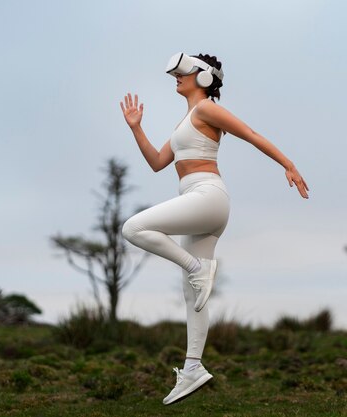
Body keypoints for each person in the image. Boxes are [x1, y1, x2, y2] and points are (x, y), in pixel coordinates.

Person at [120, 52, 309, 405]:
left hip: (207, 196)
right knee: (194, 295)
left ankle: (197, 268)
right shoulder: (185, 121)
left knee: (133, 228)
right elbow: (158, 163)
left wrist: (288, 164)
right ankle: (193, 367)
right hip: (200, 200)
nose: (176, 77)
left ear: (203, 78)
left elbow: (250, 134)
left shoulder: (205, 109)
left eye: (182, 73)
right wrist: (136, 128)